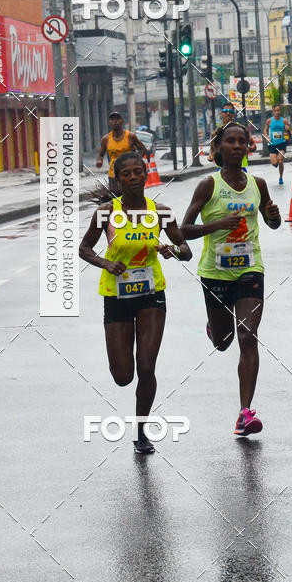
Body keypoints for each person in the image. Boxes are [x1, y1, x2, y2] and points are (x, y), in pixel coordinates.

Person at [79, 151, 192, 454]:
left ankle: (141, 430)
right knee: (123, 376)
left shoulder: (162, 212)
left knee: (146, 365)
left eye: (137, 172)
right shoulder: (106, 212)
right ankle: (136, 413)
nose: (132, 178)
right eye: (125, 174)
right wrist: (105, 263)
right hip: (116, 296)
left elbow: (185, 249)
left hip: (151, 294)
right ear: (117, 179)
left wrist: (174, 250)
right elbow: (84, 248)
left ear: (145, 174)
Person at [181, 121, 281, 436]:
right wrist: (217, 224)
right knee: (224, 342)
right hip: (215, 272)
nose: (237, 146)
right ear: (219, 148)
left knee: (248, 336)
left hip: (251, 269)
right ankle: (216, 328)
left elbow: (272, 222)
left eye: (242, 141)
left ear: (248, 147)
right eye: (231, 142)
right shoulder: (208, 186)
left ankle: (245, 412)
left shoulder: (259, 184)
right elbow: (183, 230)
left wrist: (274, 217)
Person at [96, 112, 148, 195]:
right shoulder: (105, 139)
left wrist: (137, 160)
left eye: (118, 119)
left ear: (122, 121)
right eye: (112, 119)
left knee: (132, 198)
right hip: (114, 175)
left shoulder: (130, 136)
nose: (115, 121)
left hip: (130, 174)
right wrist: (99, 161)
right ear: (109, 122)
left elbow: (142, 149)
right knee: (117, 200)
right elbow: (100, 154)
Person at [209, 105, 256, 169]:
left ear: (234, 114)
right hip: (222, 168)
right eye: (225, 111)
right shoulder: (217, 132)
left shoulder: (242, 130)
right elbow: (212, 147)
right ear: (221, 114)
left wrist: (248, 149)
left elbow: (253, 145)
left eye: (230, 111)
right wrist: (211, 155)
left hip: (240, 168)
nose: (228, 113)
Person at [264, 104, 291, 184]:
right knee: (274, 163)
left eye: (278, 110)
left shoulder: (284, 120)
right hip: (272, 144)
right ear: (273, 112)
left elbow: (288, 131)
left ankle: (281, 177)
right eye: (275, 111)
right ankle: (276, 164)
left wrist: (288, 130)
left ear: (280, 111)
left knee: (280, 161)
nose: (277, 112)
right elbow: (265, 130)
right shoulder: (269, 121)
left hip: (282, 143)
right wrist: (267, 137)